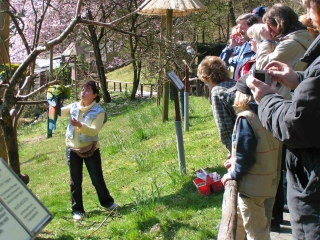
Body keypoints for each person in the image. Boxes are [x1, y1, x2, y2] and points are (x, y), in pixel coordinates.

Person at [246, 0, 320, 237]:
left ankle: (275, 218)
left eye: (309, 8)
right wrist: (299, 80)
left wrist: (266, 98)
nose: (307, 16)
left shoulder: (292, 41)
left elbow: (299, 125)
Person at [221, 75, 280, 240]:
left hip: (251, 186)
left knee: (257, 232)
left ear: (242, 96)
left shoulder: (246, 118)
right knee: (240, 222)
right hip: (267, 180)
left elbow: (246, 154)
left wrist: (233, 174)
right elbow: (259, 146)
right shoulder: (267, 113)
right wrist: (233, 159)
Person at [60, 80, 118, 221]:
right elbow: (59, 113)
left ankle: (107, 203)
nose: (83, 92)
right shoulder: (74, 106)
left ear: (95, 95)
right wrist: (54, 101)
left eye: (87, 90)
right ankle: (77, 210)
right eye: (82, 90)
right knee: (75, 182)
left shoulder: (99, 112)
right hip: (72, 149)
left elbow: (93, 131)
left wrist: (79, 125)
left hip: (90, 149)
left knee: (97, 179)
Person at [256, 3, 313, 100]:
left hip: (289, 99)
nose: (269, 31)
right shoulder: (305, 36)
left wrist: (266, 41)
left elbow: (262, 67)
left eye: (270, 26)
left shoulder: (290, 44)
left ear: (279, 24)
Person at [197, 56, 236, 155]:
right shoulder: (235, 83)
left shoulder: (217, 92)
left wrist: (231, 150)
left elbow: (224, 127)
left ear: (207, 78)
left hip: (239, 143)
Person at [229, 13, 256, 80]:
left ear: (252, 28)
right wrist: (230, 48)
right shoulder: (244, 46)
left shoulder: (259, 47)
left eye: (242, 28)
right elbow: (225, 64)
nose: (239, 31)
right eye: (238, 28)